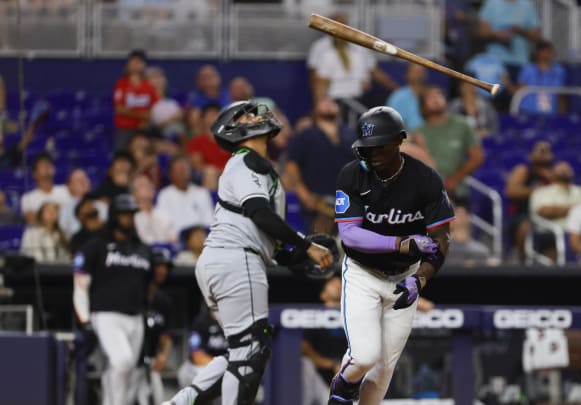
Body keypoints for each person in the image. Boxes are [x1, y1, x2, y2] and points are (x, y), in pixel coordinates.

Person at [164, 100, 334, 405]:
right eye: (249, 114)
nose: (258, 115)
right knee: (251, 351)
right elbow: (260, 214)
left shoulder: (255, 166)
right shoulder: (245, 160)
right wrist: (306, 245)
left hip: (226, 259)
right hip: (235, 259)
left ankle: (181, 402)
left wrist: (299, 256)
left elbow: (271, 241)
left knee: (244, 350)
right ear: (237, 128)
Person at [329, 106, 454, 404]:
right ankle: (341, 391)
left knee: (383, 372)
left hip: (404, 277)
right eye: (365, 147)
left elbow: (441, 238)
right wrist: (400, 243)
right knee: (363, 357)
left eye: (377, 146)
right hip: (363, 274)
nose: (370, 153)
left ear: (399, 140)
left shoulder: (425, 179)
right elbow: (350, 235)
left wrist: (420, 281)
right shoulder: (352, 175)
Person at [73, 194, 154, 405]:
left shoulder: (142, 249)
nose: (128, 219)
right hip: (107, 314)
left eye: (131, 215)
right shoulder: (96, 246)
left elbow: (149, 286)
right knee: (121, 362)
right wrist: (84, 318)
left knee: (128, 372)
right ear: (114, 216)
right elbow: (81, 285)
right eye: (123, 215)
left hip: (135, 317)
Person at [282, 97, 356, 234]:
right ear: (314, 111)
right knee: (320, 242)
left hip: (347, 202)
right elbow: (292, 166)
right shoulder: (305, 135)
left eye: (332, 102)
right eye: (323, 102)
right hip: (317, 202)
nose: (328, 104)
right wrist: (303, 194)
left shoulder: (351, 134)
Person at [413, 86, 484, 205]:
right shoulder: (417, 132)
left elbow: (477, 157)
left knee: (460, 222)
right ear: (422, 106)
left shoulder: (462, 125)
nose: (436, 99)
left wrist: (454, 180)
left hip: (458, 191)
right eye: (430, 97)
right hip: (429, 193)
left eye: (439, 95)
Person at [130, 247, 175, 405]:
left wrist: (164, 356)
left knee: (157, 397)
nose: (162, 270)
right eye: (158, 266)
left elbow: (166, 335)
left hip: (149, 363)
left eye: (165, 267)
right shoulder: (132, 296)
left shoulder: (164, 301)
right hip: (129, 361)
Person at [505, 140, 554, 260]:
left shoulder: (554, 175)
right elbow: (511, 191)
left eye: (546, 151)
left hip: (547, 216)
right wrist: (539, 191)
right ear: (531, 155)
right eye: (540, 151)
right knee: (525, 227)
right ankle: (522, 260)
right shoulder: (524, 171)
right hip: (522, 214)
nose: (543, 154)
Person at [302, 276, 346, 405]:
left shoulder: (352, 316)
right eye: (332, 283)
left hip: (349, 377)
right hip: (320, 379)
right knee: (304, 363)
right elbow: (305, 349)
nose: (338, 284)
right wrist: (332, 364)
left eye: (340, 282)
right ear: (323, 295)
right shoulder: (314, 316)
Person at [175, 309, 228, 403]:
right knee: (189, 373)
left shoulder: (234, 322)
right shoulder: (202, 321)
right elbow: (197, 356)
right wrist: (220, 365)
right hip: (202, 367)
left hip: (227, 369)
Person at [478, 0, 541, 80]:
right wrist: (497, 35)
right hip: (494, 63)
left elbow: (537, 36)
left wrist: (520, 31)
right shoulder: (491, 3)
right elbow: (482, 32)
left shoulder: (527, 5)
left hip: (520, 62)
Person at [155, 154, 215, 237]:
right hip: (178, 239)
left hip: (202, 238)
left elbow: (209, 221)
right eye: (178, 170)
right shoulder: (164, 195)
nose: (182, 173)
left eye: (184, 169)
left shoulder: (202, 192)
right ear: (171, 173)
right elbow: (164, 223)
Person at [113, 49, 158, 151]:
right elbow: (119, 109)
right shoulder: (121, 84)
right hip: (124, 128)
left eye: (139, 62)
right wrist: (142, 115)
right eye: (133, 61)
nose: (136, 64)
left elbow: (154, 108)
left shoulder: (149, 86)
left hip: (144, 129)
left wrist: (144, 119)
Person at [186, 103, 231, 190]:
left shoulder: (229, 140)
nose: (213, 118)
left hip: (228, 173)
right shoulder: (197, 141)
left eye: (216, 114)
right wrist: (217, 172)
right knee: (210, 172)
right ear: (203, 119)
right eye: (210, 115)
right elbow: (197, 165)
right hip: (208, 175)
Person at [20, 152, 72, 224]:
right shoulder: (27, 197)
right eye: (43, 165)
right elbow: (31, 220)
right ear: (34, 174)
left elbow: (71, 215)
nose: (47, 166)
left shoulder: (65, 190)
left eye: (49, 164)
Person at [517, 40, 566, 115]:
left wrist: (562, 116)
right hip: (528, 113)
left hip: (551, 114)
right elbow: (519, 92)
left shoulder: (559, 70)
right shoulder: (528, 69)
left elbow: (561, 96)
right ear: (537, 53)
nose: (546, 55)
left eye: (548, 52)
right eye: (543, 51)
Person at [59, 168, 107, 239]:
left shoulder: (101, 205)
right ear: (69, 186)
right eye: (78, 180)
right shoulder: (64, 209)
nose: (83, 181)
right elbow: (62, 234)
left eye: (85, 178)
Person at [132, 175, 176, 245]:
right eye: (142, 185)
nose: (149, 186)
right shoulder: (131, 216)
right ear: (134, 193)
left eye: (149, 184)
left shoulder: (163, 214)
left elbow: (173, 239)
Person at [186, 65, 230, 135]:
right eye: (203, 78)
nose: (207, 82)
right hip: (205, 133)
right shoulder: (195, 98)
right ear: (198, 82)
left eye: (210, 78)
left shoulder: (228, 94)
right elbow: (193, 122)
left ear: (218, 78)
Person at [147, 66, 185, 141]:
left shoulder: (175, 97)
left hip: (177, 132)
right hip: (155, 135)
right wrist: (170, 119)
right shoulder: (146, 100)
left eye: (160, 76)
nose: (158, 80)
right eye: (154, 77)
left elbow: (183, 114)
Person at [386, 64, 427, 131]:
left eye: (421, 71)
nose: (418, 74)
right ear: (407, 75)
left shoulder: (430, 95)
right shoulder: (397, 96)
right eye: (415, 71)